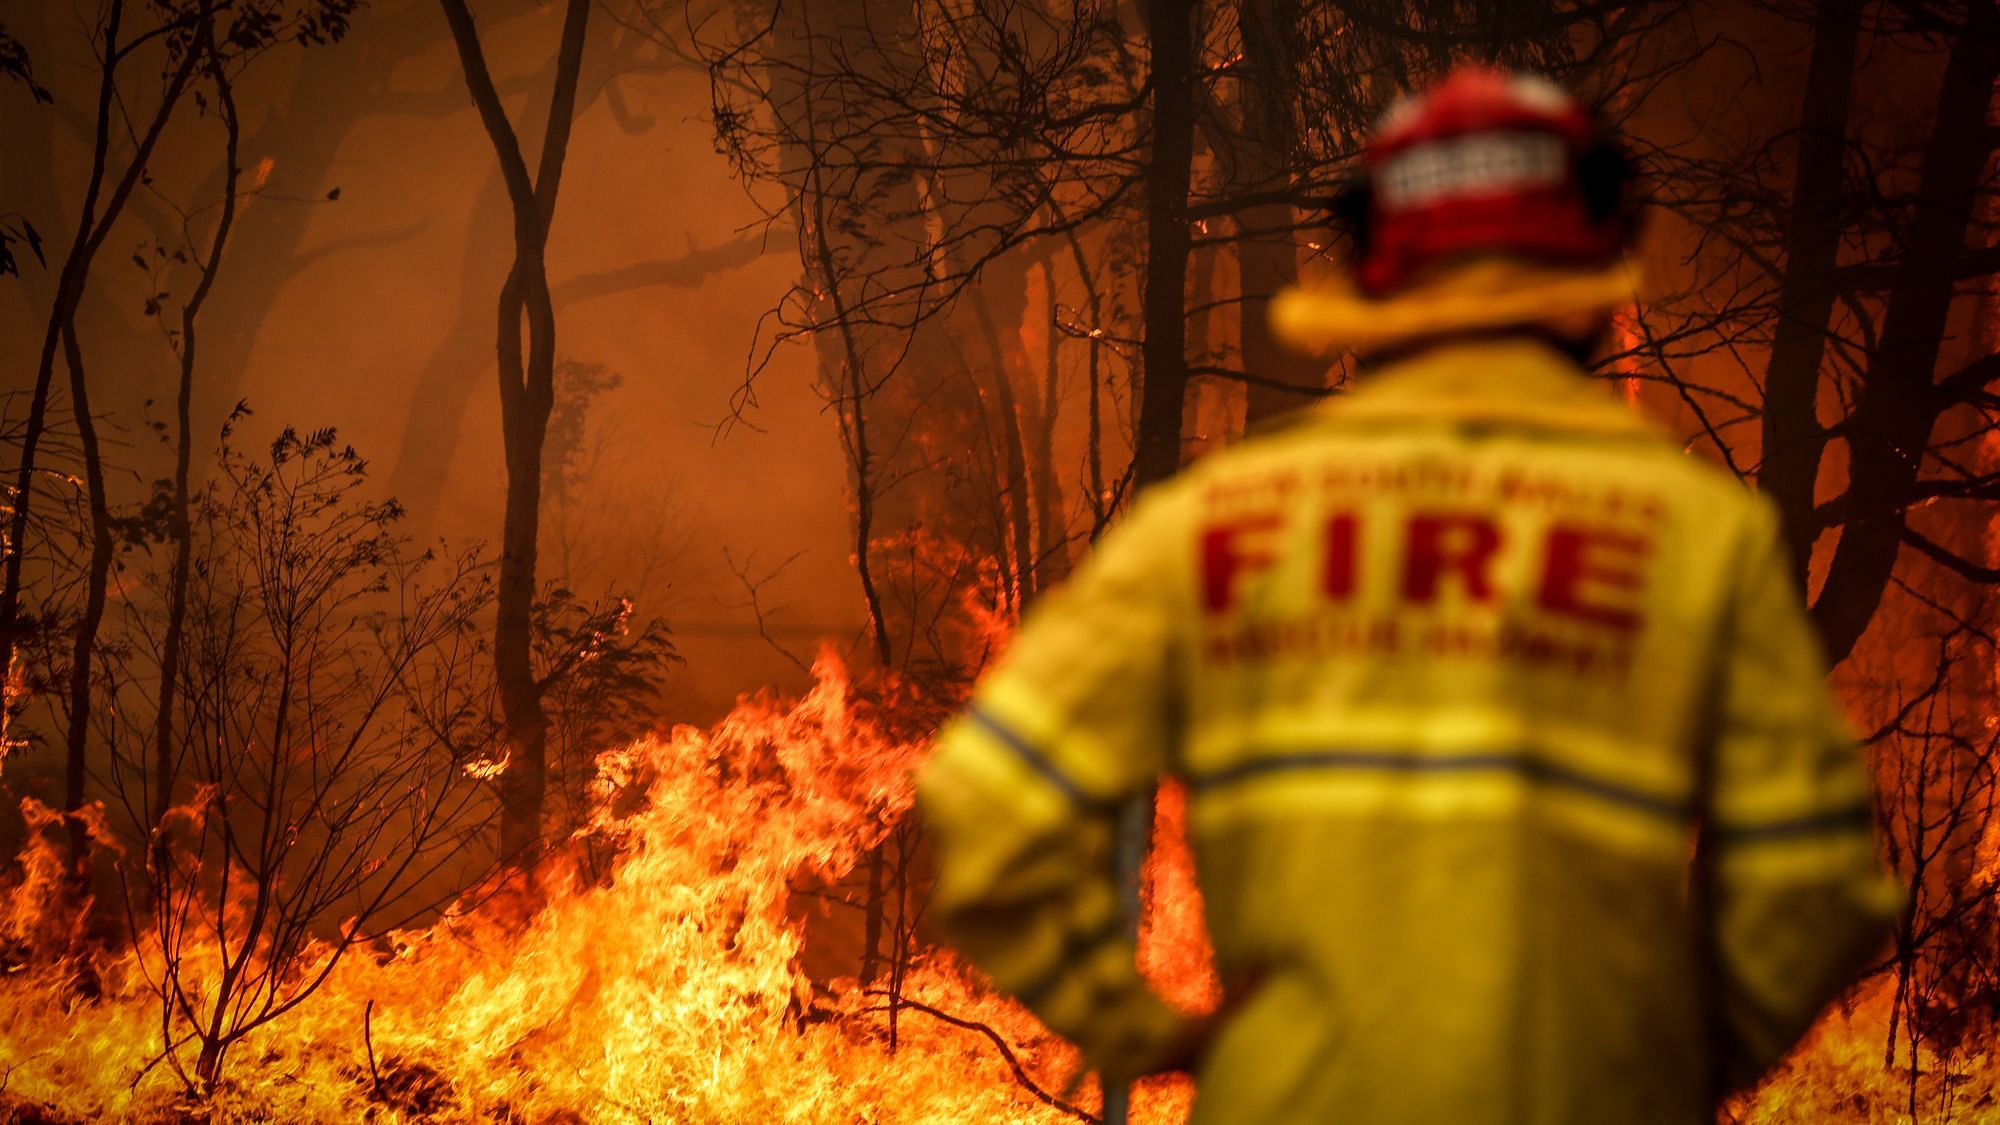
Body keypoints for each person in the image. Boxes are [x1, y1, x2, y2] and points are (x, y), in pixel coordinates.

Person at [915, 66, 1904, 1124]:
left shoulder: (1214, 526)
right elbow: (1821, 890)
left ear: (1372, 292)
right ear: (1586, 298)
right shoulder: (1694, 538)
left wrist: (1138, 1028)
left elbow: (987, 809)